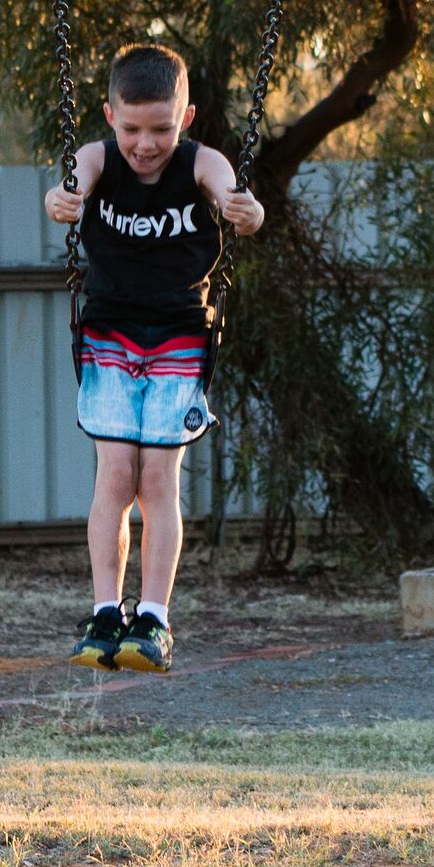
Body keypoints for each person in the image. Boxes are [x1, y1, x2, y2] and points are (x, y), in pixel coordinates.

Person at [42, 42, 267, 670]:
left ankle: (155, 620)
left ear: (186, 117)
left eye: (162, 128)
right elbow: (68, 188)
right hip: (109, 334)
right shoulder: (95, 157)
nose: (146, 144)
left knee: (157, 480)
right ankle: (106, 612)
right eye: (133, 128)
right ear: (111, 116)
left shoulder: (201, 162)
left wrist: (243, 210)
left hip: (178, 335)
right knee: (115, 476)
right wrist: (63, 201)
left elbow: (233, 197)